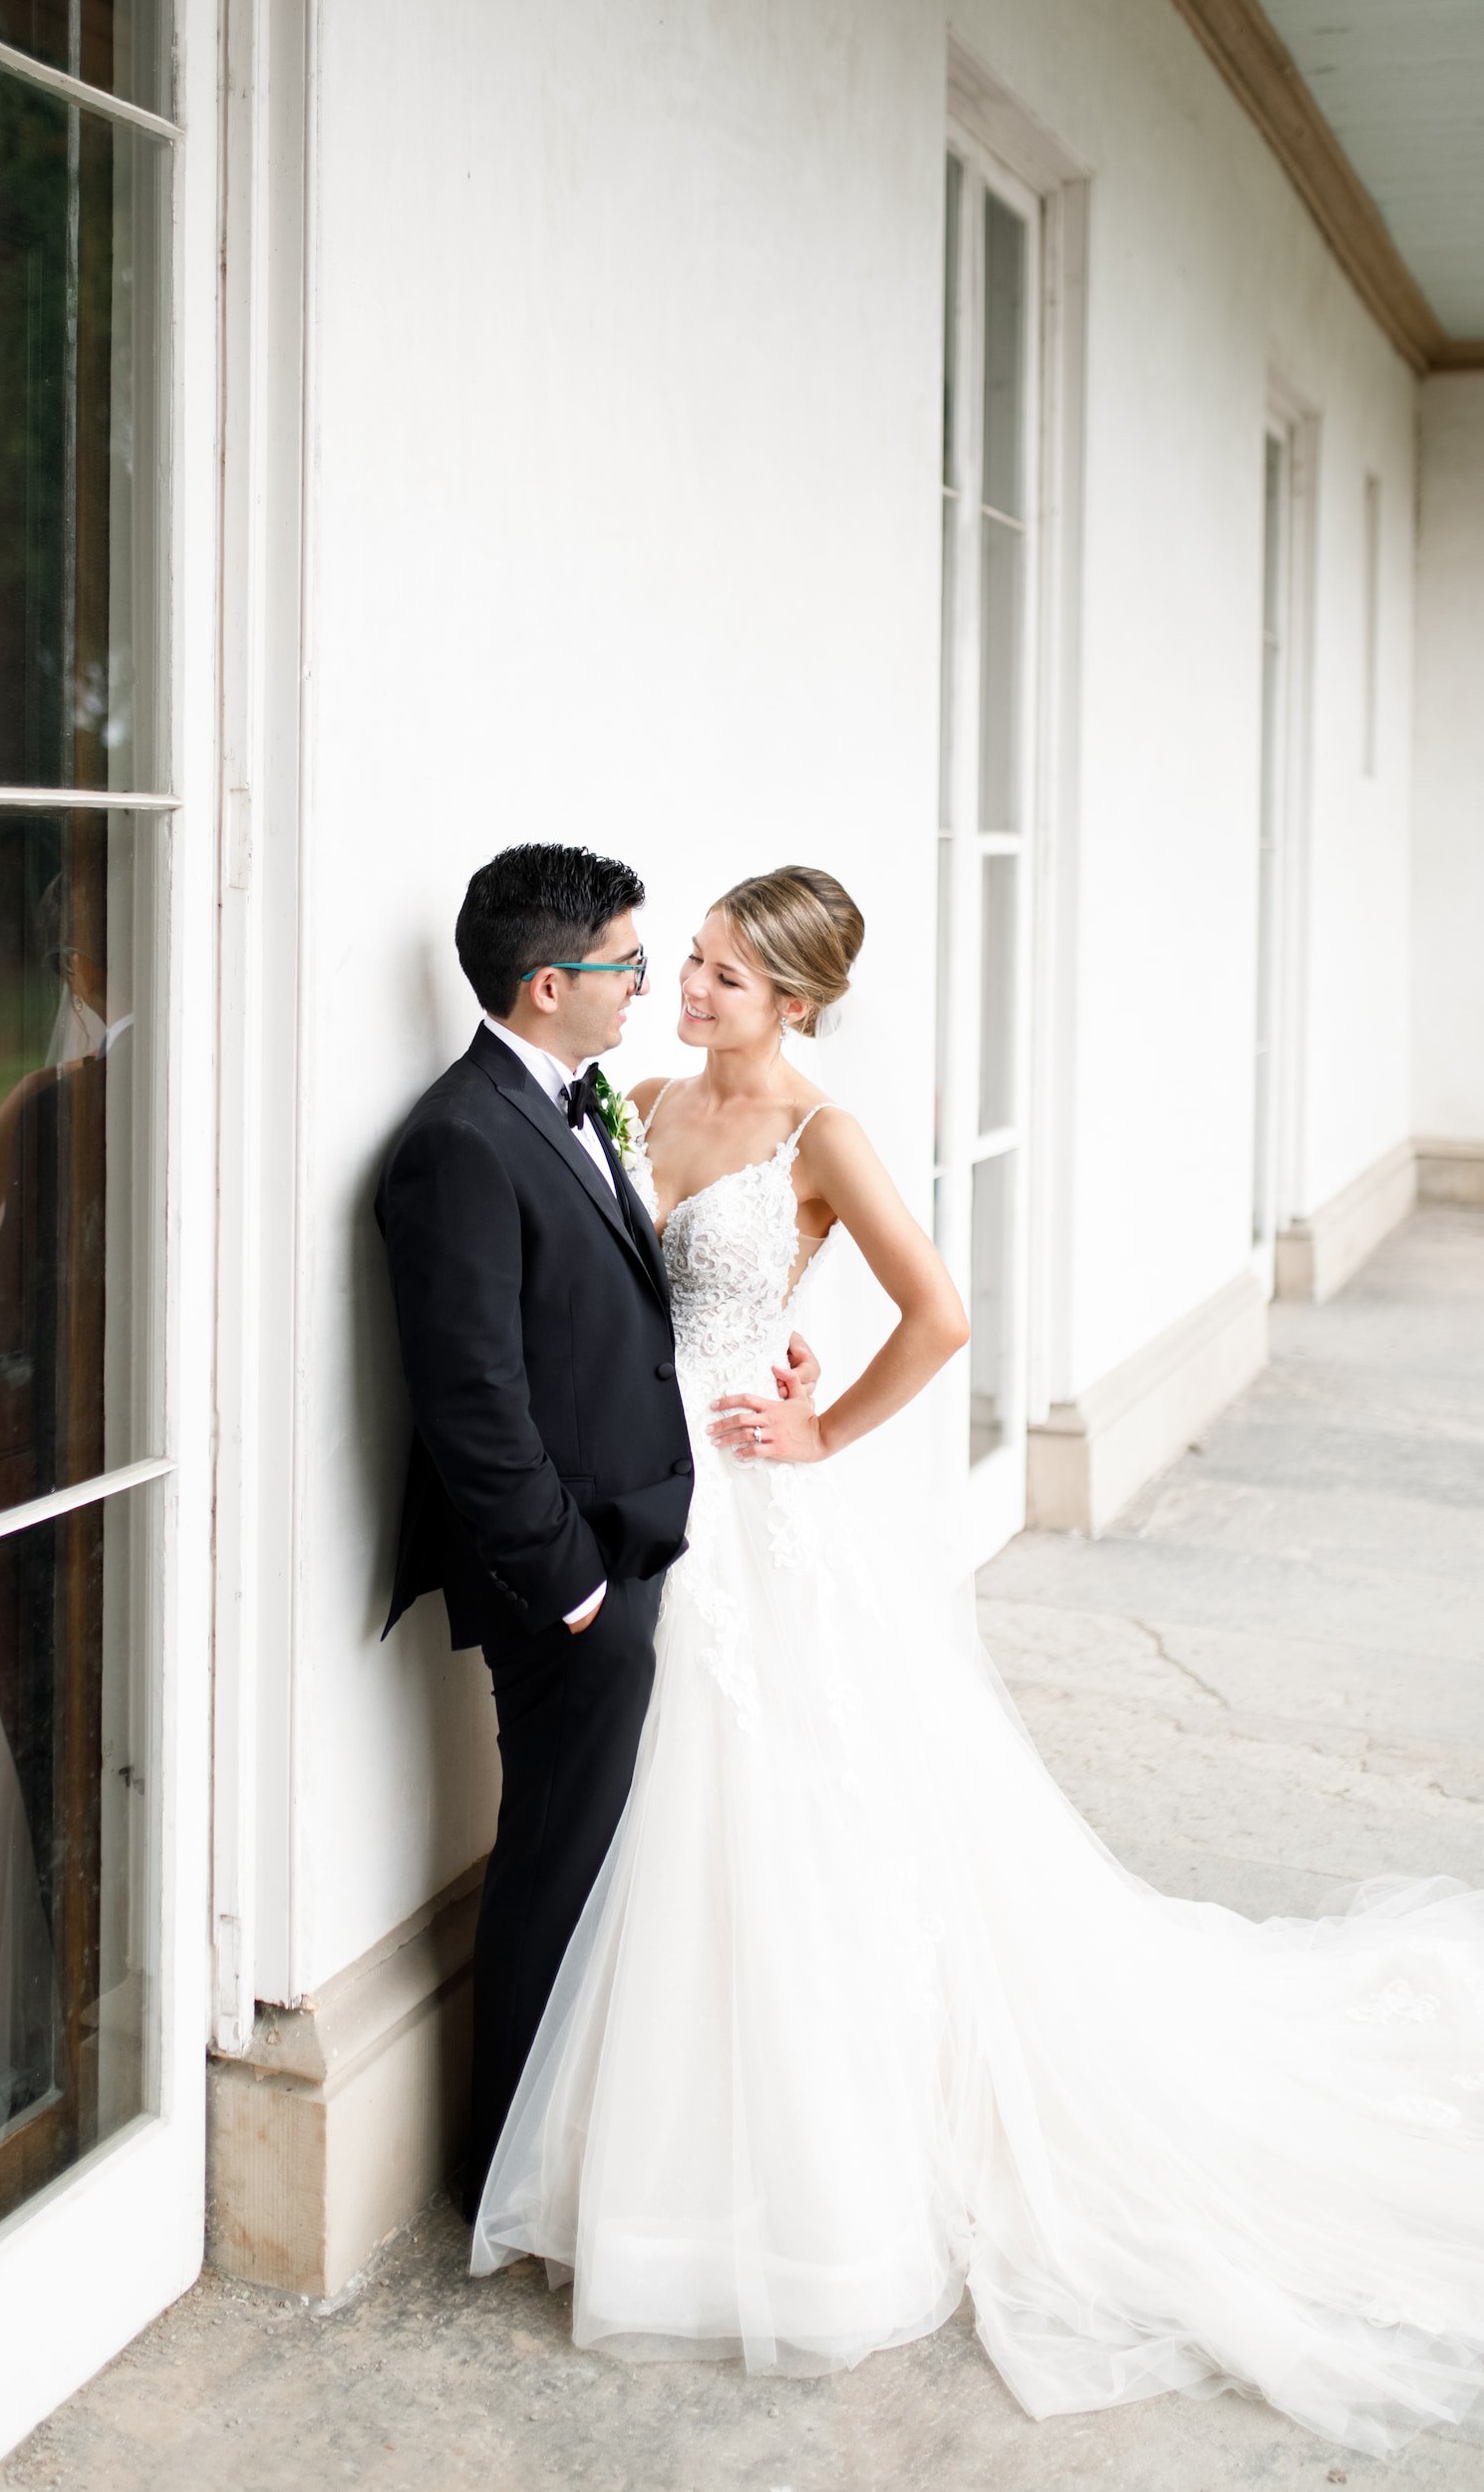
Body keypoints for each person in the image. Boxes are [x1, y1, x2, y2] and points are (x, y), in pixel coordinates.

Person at [470, 864, 1484, 2457]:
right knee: (654, 1818)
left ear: (797, 1004)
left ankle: (800, 2187)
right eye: (697, 964)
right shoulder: (639, 1096)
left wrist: (816, 1422)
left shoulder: (825, 1140)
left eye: (728, 976)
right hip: (652, 1500)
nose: (692, 990)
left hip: (760, 1505)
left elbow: (939, 1319)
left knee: (779, 1819)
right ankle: (636, 2158)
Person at [375, 845, 818, 2220]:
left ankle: (576, 2146)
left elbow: (629, 1309)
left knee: (611, 1859)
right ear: (549, 982)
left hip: (646, 1531)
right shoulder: (458, 1141)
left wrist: (778, 1365)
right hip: (566, 1575)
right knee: (555, 1868)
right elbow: (473, 1402)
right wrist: (573, 1590)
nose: (653, 986)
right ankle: (507, 2171)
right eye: (632, 964)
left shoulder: (579, 1101)